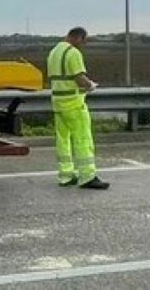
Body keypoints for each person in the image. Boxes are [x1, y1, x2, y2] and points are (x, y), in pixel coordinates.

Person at [46, 27, 109, 189]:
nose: (84, 44)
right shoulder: (73, 53)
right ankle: (87, 176)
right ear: (78, 37)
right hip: (74, 103)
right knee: (83, 139)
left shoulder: (54, 52)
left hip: (58, 103)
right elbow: (79, 78)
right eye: (84, 41)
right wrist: (90, 86)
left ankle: (66, 175)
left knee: (63, 140)